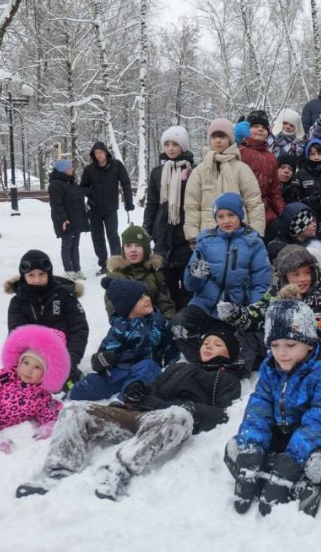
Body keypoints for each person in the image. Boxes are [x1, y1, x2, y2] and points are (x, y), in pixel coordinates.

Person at [17, 326, 245, 500]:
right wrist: (137, 390)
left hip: (167, 423)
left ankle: (118, 472)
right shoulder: (179, 367)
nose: (208, 346)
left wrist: (189, 408)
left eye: (216, 344)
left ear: (229, 353)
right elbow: (152, 388)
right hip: (136, 415)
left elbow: (222, 416)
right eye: (206, 342)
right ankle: (58, 470)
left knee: (178, 414)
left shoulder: (227, 381)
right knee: (75, 411)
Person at [226, 299, 321, 517]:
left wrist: (294, 458)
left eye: (290, 345)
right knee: (237, 448)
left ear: (309, 344)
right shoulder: (270, 368)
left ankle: (304, 479)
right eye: (275, 345)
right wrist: (252, 447)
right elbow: (260, 408)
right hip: (284, 429)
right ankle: (266, 468)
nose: (281, 353)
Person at [173, 192, 272, 369]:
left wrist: (250, 312)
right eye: (220, 216)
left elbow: (260, 283)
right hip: (205, 305)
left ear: (240, 216)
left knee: (251, 341)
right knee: (178, 325)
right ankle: (202, 363)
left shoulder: (253, 242)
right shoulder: (206, 240)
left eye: (231, 215)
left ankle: (229, 363)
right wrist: (195, 274)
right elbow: (190, 285)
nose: (226, 221)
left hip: (236, 309)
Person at [69, 279, 177, 401]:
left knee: (147, 368)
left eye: (145, 294)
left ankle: (127, 399)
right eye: (140, 298)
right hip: (121, 370)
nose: (147, 298)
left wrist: (171, 365)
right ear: (127, 306)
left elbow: (170, 344)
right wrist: (101, 361)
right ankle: (70, 395)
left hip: (146, 370)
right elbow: (106, 351)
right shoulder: (120, 328)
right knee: (93, 384)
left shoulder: (159, 322)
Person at [0, 325, 69, 450]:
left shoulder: (41, 394)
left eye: (37, 367)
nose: (29, 370)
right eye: (26, 363)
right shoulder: (5, 377)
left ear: (46, 372)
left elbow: (50, 410)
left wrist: (49, 426)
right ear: (19, 362)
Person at [6, 250, 89, 386]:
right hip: (31, 361)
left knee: (65, 387)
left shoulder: (65, 296)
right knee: (10, 384)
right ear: (23, 276)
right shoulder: (18, 302)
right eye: (31, 275)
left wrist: (70, 361)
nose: (37, 280)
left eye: (41, 274)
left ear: (49, 274)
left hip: (61, 359)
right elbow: (16, 335)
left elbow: (79, 329)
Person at [183, 117, 265, 245]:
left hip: (241, 238)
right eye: (214, 136)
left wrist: (256, 233)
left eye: (222, 136)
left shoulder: (241, 169)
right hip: (208, 238)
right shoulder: (200, 171)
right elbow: (192, 206)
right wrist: (193, 236)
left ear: (230, 139)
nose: (218, 140)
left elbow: (254, 203)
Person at [143, 125, 194, 309]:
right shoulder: (157, 172)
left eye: (175, 144)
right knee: (165, 284)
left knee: (188, 284)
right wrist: (146, 230)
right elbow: (152, 204)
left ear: (184, 146)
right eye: (167, 144)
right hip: (163, 235)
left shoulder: (192, 171)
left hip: (185, 236)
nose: (170, 148)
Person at [80, 142, 134, 275]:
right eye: (96, 153)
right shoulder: (89, 169)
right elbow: (82, 187)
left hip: (111, 208)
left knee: (112, 235)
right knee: (97, 237)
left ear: (106, 153)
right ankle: (103, 264)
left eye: (101, 152)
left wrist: (128, 201)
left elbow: (125, 182)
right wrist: (90, 193)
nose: (99, 155)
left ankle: (116, 264)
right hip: (94, 208)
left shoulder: (116, 165)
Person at [105, 225, 176, 319]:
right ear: (123, 250)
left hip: (156, 325)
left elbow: (165, 305)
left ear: (146, 250)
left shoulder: (155, 276)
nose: (133, 250)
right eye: (128, 246)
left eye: (138, 245)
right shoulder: (115, 277)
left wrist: (169, 323)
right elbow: (113, 311)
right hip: (128, 328)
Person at [238, 110, 285, 237]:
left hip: (265, 211)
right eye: (255, 126)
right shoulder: (239, 151)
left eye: (263, 127)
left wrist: (282, 211)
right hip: (242, 209)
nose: (260, 129)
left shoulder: (270, 158)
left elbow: (274, 190)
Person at [48, 159, 89, 280]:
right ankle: (68, 270)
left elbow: (79, 201)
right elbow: (56, 205)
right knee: (67, 245)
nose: (72, 169)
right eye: (70, 168)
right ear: (64, 170)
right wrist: (63, 219)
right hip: (66, 221)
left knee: (75, 245)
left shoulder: (72, 182)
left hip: (76, 219)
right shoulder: (55, 184)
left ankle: (77, 269)